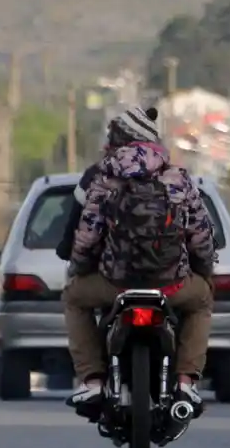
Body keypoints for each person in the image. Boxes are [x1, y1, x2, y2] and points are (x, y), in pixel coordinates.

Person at [63, 105, 216, 416]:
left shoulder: (104, 178)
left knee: (73, 298)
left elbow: (87, 236)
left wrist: (78, 267)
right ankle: (186, 380)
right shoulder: (177, 179)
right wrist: (204, 268)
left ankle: (92, 380)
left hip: (114, 284)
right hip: (171, 285)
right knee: (202, 300)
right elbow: (201, 234)